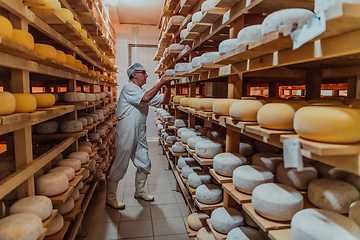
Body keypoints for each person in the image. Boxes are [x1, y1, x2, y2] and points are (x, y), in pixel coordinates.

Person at [106, 62, 172, 209]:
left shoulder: (142, 91)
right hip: (126, 133)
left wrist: (167, 87)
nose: (147, 75)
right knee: (120, 164)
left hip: (139, 133)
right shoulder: (129, 88)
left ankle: (139, 192)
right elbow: (147, 98)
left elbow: (164, 101)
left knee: (144, 162)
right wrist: (160, 83)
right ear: (134, 74)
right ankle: (110, 198)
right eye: (144, 72)